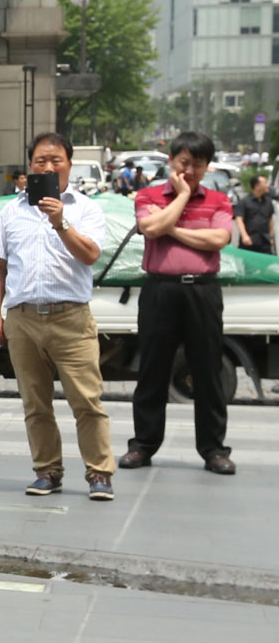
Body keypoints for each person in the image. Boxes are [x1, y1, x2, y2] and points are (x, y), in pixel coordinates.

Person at [0, 133, 115, 499]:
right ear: (30, 166)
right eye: (40, 161)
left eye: (56, 160)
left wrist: (60, 221)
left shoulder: (86, 208)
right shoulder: (11, 210)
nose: (48, 167)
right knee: (35, 403)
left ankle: (99, 473)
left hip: (70, 318)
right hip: (23, 319)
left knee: (87, 401)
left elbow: (89, 255)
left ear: (69, 165)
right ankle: (47, 471)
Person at [122, 130, 235, 475]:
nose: (189, 170)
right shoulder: (148, 194)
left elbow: (219, 238)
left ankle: (214, 449)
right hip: (160, 290)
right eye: (184, 162)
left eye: (197, 165)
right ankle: (143, 445)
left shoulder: (219, 200)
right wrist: (183, 198)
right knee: (153, 369)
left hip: (202, 291)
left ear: (206, 167)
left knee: (208, 371)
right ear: (171, 160)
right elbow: (149, 227)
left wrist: (170, 225)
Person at [234, 173, 274, 254]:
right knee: (248, 265)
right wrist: (244, 236)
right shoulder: (244, 202)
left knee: (265, 265)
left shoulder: (268, 202)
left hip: (264, 241)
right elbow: (239, 220)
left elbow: (270, 220)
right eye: (265, 183)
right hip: (249, 241)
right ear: (257, 186)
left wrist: (271, 236)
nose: (267, 186)